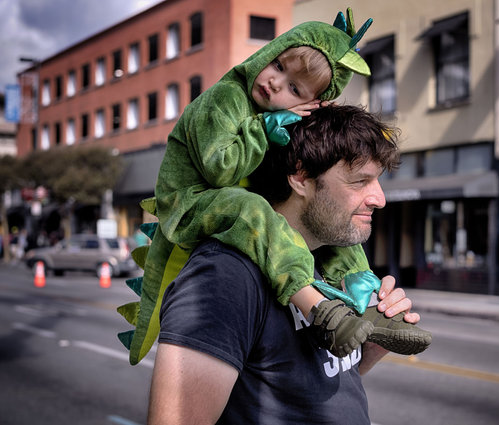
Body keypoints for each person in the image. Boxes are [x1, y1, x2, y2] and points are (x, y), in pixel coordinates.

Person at [118, 9, 430, 365]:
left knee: (339, 234)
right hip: (190, 203)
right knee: (253, 210)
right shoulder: (225, 98)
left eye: (295, 89)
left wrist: (373, 341)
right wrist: (263, 129)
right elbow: (220, 170)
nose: (275, 83)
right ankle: (319, 310)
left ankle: (364, 299)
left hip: (238, 197)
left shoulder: (277, 123)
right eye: (279, 65)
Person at [147, 104, 431, 424]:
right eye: (359, 181)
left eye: (377, 181)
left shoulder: (328, 261)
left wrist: (371, 348)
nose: (379, 198)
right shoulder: (225, 276)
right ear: (301, 177)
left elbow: (308, 386)